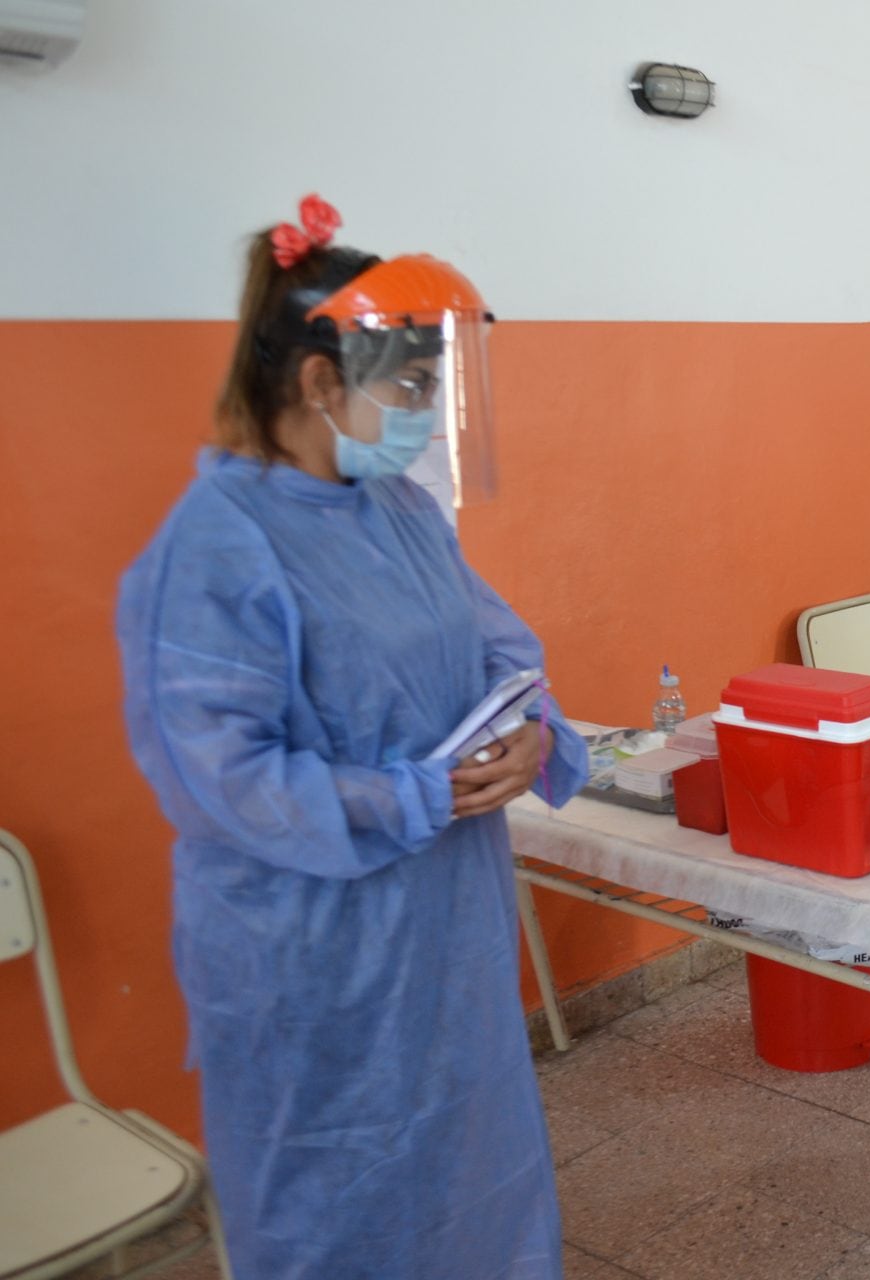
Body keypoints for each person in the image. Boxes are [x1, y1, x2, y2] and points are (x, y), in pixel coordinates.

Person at [117, 195, 590, 1280]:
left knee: (475, 1169)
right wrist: (413, 796)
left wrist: (531, 729)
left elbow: (499, 651)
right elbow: (223, 780)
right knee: (339, 1208)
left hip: (447, 937)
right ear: (321, 382)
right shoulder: (214, 549)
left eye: (434, 384)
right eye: (411, 386)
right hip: (315, 956)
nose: (427, 411)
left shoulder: (404, 512)